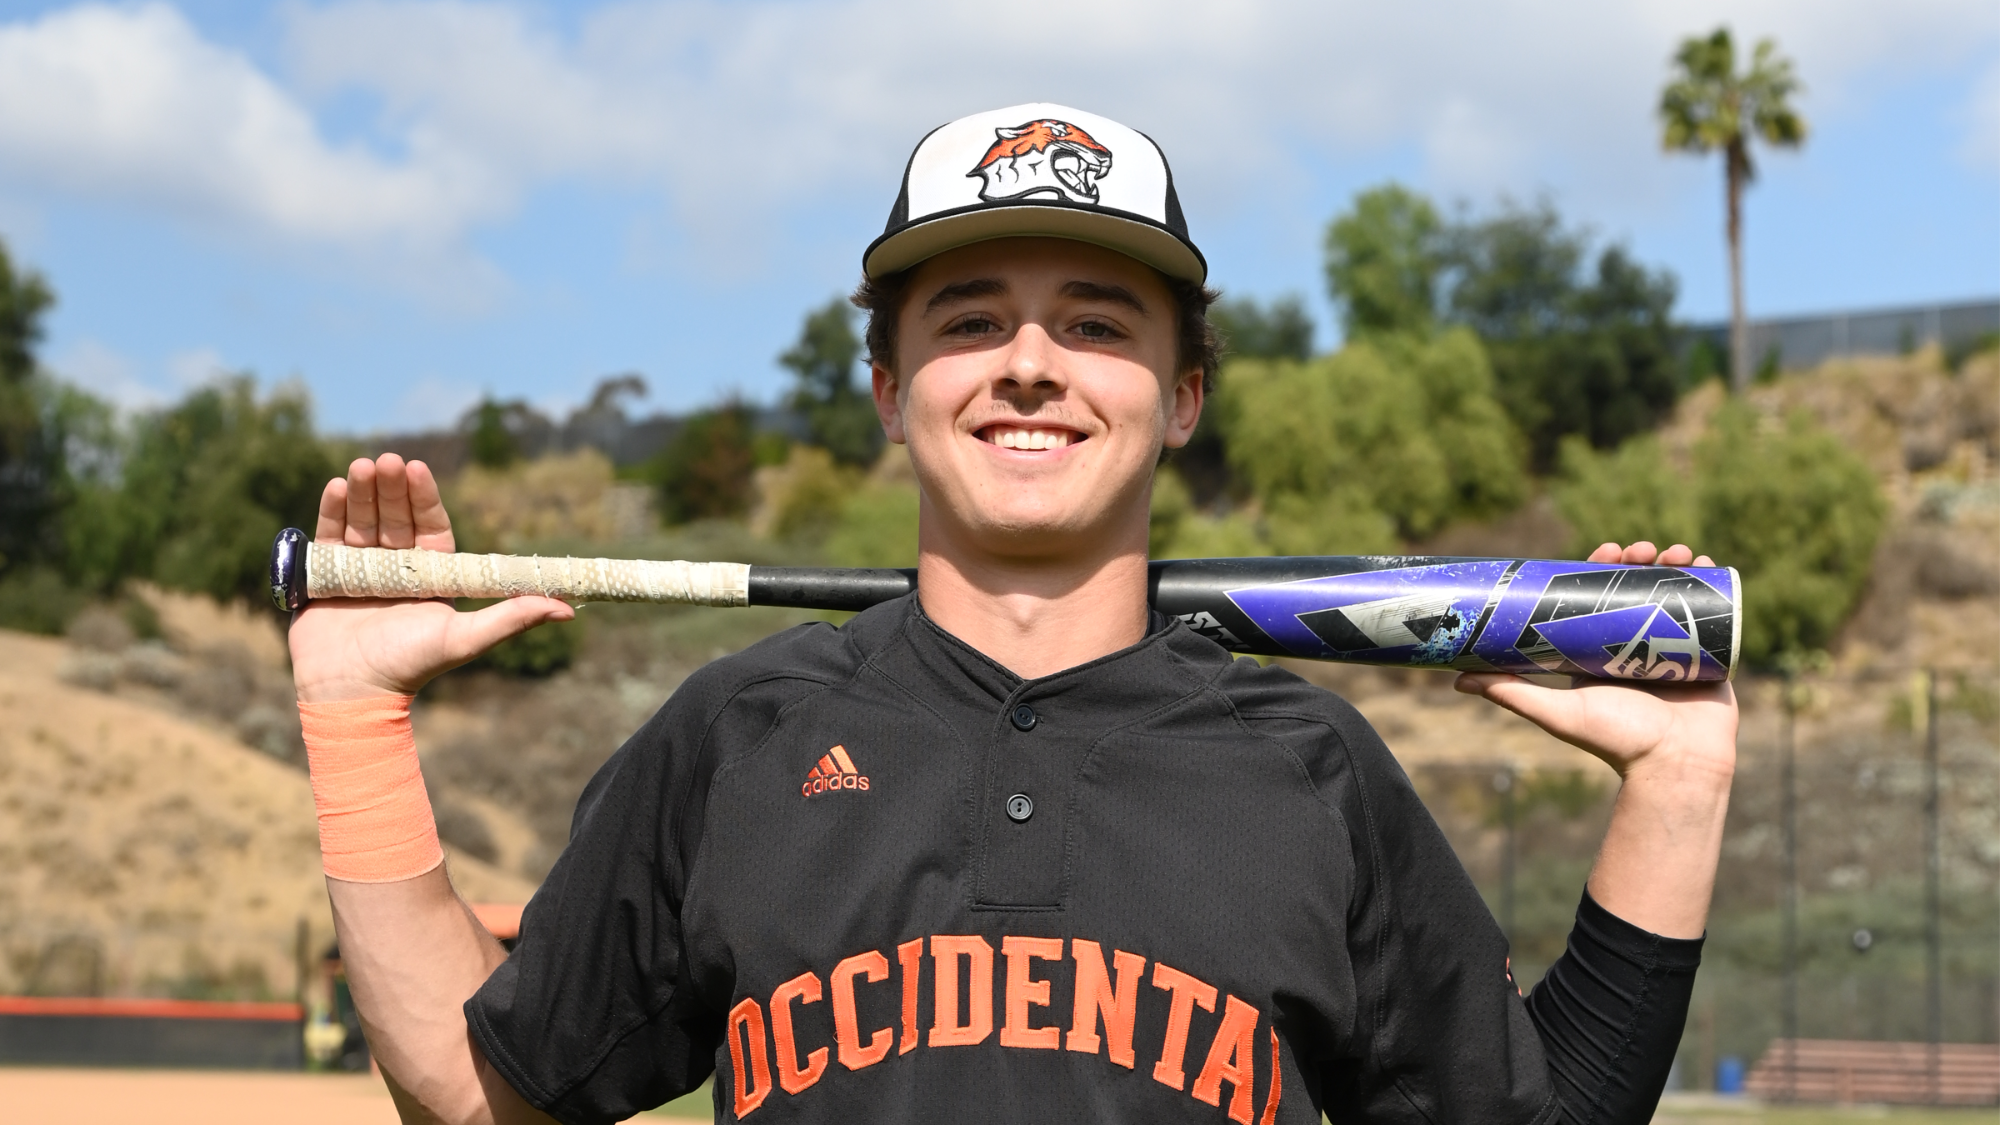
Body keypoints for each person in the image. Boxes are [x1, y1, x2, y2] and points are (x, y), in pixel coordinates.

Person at [290, 104, 1737, 1125]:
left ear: (1181, 397)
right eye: (971, 320)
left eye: (1097, 324)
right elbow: (483, 1094)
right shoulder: (742, 736)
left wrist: (1675, 786)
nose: (1031, 362)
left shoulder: (1311, 770)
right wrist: (353, 719)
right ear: (890, 392)